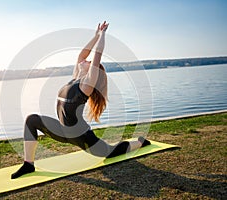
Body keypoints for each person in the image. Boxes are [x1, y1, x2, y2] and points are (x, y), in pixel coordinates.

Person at [11, 21, 150, 179]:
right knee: (31, 120)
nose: (85, 60)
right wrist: (95, 35)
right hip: (63, 131)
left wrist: (103, 35)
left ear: (92, 70)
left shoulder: (87, 85)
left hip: (81, 135)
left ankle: (139, 143)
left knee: (109, 152)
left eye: (89, 62)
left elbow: (97, 53)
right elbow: (82, 55)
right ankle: (28, 165)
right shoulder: (76, 78)